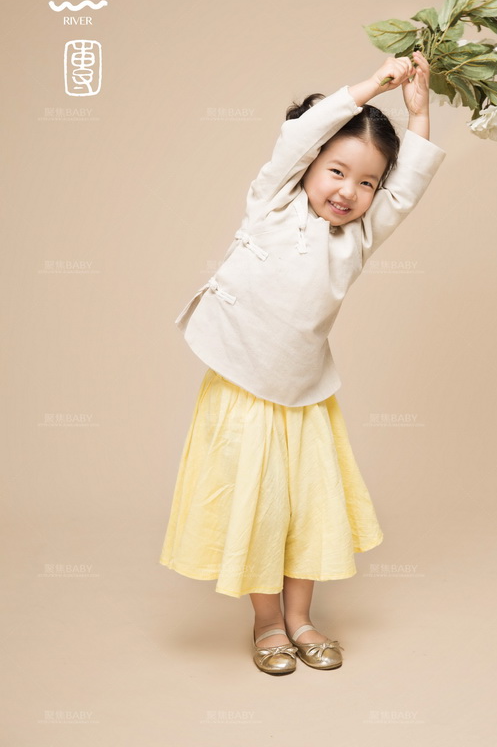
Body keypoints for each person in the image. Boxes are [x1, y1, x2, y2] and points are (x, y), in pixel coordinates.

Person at [159, 49, 447, 674]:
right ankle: (267, 624)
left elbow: (407, 190)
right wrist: (371, 85)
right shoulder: (273, 202)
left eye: (367, 182)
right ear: (311, 163)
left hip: (304, 396)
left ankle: (302, 619)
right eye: (337, 171)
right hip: (242, 388)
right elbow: (294, 138)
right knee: (260, 506)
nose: (349, 191)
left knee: (304, 507)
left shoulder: (357, 238)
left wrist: (419, 114)